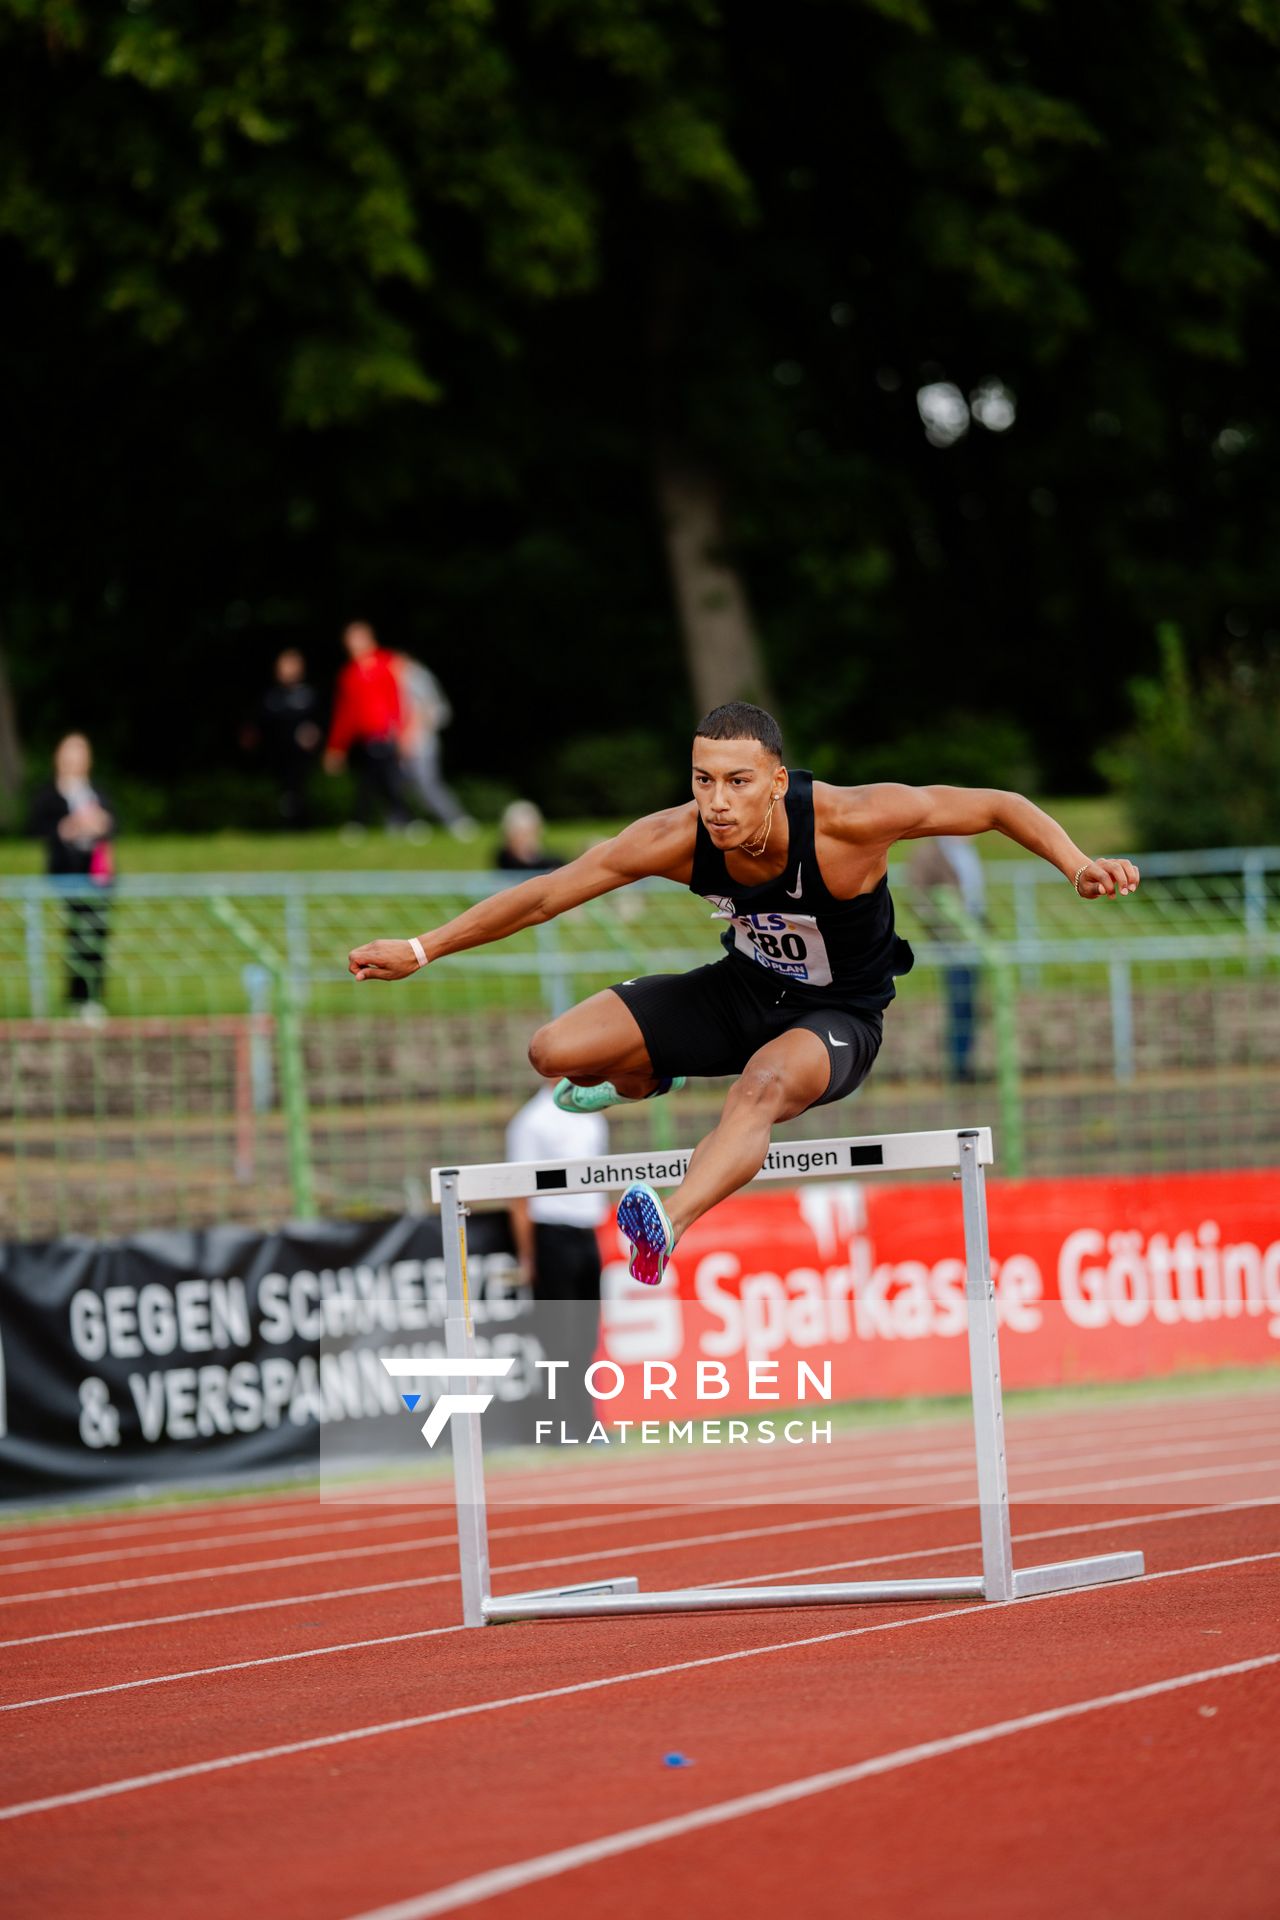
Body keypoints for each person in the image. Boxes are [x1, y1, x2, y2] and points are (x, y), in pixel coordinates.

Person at [347, 702, 1140, 1287]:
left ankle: (667, 1223)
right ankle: (652, 1074)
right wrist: (423, 949)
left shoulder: (850, 822)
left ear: (777, 782)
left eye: (736, 783)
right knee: (553, 1052)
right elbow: (547, 894)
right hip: (738, 993)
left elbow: (998, 807)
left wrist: (1077, 865)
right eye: (702, 782)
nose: (717, 803)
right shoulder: (674, 837)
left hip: (836, 1018)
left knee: (760, 1087)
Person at [506, 1083, 608, 1440]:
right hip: (551, 1234)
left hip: (586, 1234)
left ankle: (587, 1422)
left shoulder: (591, 1114)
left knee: (585, 1336)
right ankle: (560, 1426)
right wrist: (528, 1255)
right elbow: (520, 1195)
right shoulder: (532, 1121)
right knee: (558, 1338)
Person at [28, 732, 116, 1023]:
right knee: (77, 934)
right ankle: (75, 998)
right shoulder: (49, 794)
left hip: (97, 874)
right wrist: (68, 827)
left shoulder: (97, 792)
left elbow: (113, 823)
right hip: (66, 873)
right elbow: (36, 827)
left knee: (97, 934)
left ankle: (91, 997)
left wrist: (100, 823)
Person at [910, 834, 987, 1082]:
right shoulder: (928, 853)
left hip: (975, 939)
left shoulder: (967, 851)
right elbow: (918, 897)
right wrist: (943, 930)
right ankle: (958, 1066)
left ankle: (967, 1062)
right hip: (951, 941)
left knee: (973, 1006)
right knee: (959, 1004)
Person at [323, 621, 408, 828]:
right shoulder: (349, 674)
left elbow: (397, 699)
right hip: (364, 738)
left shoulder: (387, 663)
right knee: (371, 779)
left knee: (382, 779)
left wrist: (399, 731)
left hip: (385, 734)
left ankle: (395, 820)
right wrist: (336, 746)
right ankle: (380, 820)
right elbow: (345, 714)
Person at [393, 653, 474, 837]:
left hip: (421, 743)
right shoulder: (402, 681)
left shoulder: (416, 678)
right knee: (399, 785)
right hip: (407, 742)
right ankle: (400, 823)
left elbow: (431, 711)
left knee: (428, 785)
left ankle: (457, 820)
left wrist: (410, 736)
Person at [246, 648, 323, 828]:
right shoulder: (271, 697)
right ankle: (283, 825)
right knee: (283, 795)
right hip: (277, 757)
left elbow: (321, 723)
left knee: (298, 792)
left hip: (301, 758)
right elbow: (257, 725)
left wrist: (313, 734)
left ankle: (302, 826)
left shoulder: (309, 696)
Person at [495, 800, 563, 874]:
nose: (524, 839)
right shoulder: (504, 859)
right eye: (519, 834)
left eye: (527, 833)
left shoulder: (553, 860)